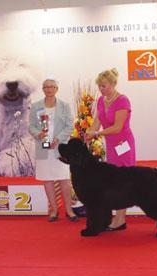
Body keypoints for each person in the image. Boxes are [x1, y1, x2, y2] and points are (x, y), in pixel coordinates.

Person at [85, 68, 135, 231]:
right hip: (111, 145)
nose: (101, 89)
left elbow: (118, 127)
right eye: (99, 86)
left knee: (123, 180)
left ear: (113, 84)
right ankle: (117, 218)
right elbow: (97, 122)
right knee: (114, 180)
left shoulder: (122, 100)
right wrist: (89, 134)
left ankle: (120, 219)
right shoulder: (101, 100)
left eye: (104, 85)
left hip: (123, 144)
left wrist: (97, 133)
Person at [29, 79, 78, 222]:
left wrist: (58, 138)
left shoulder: (64, 106)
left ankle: (69, 210)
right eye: (46, 87)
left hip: (60, 148)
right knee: (47, 180)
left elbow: (70, 126)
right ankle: (54, 210)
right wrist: (39, 134)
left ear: (57, 89)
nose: (49, 89)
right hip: (43, 148)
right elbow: (31, 126)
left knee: (65, 179)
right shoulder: (36, 106)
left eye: (52, 86)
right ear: (43, 89)